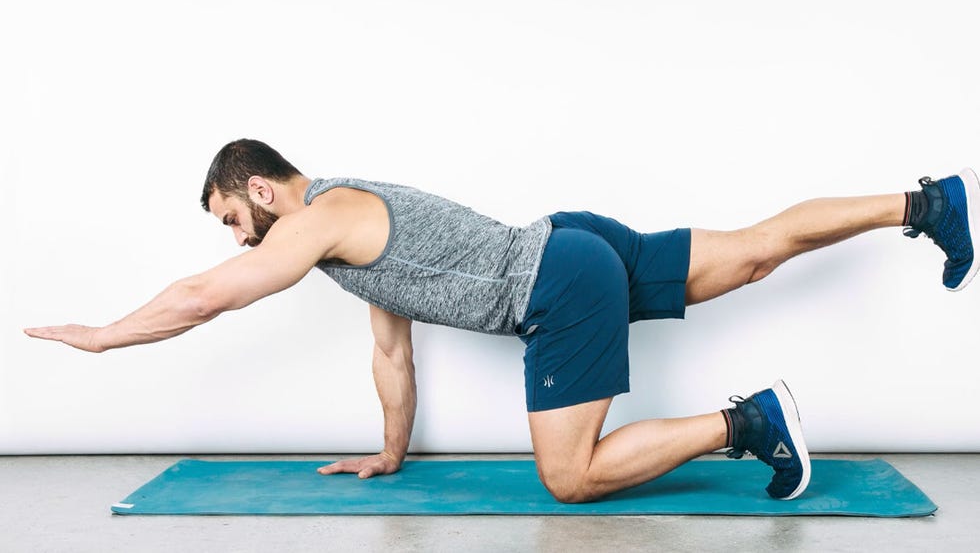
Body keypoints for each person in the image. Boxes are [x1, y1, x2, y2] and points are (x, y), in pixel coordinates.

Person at [24, 139, 979, 503]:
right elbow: (391, 353)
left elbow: (205, 297)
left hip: (557, 285)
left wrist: (108, 335)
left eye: (237, 220)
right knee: (760, 246)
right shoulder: (347, 240)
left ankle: (749, 422)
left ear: (263, 189)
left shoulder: (320, 218)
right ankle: (924, 203)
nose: (240, 243)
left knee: (568, 478)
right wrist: (390, 453)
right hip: (572, 243)